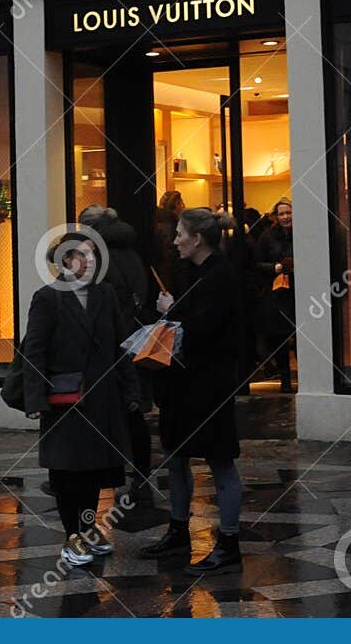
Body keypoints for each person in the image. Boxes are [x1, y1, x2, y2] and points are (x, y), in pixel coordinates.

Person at [23, 232, 142, 567]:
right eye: (81, 255)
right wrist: (35, 399)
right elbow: (34, 349)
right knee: (67, 473)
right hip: (66, 399)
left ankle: (89, 531)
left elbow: (122, 345)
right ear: (64, 260)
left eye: (92, 255)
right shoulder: (48, 298)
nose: (89, 261)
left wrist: (132, 391)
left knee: (93, 472)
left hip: (102, 399)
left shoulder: (105, 294)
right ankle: (71, 537)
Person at [144, 207, 245, 575]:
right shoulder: (193, 272)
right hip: (183, 383)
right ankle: (177, 531)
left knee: (220, 460)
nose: (174, 240)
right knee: (176, 454)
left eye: (179, 234)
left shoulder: (220, 276)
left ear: (197, 238)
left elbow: (206, 329)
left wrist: (172, 312)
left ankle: (229, 542)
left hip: (210, 384)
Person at [80, 204, 155, 501]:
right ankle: (140, 472)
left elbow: (95, 302)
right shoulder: (131, 252)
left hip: (110, 344)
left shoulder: (96, 257)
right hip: (134, 339)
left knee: (102, 409)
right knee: (133, 409)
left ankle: (102, 471)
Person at [251, 198, 296, 392]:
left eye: (288, 212)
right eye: (282, 213)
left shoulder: (302, 232)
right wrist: (275, 267)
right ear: (276, 216)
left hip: (299, 290)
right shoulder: (267, 236)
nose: (286, 217)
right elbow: (256, 263)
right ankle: (285, 380)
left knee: (301, 335)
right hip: (278, 293)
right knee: (279, 337)